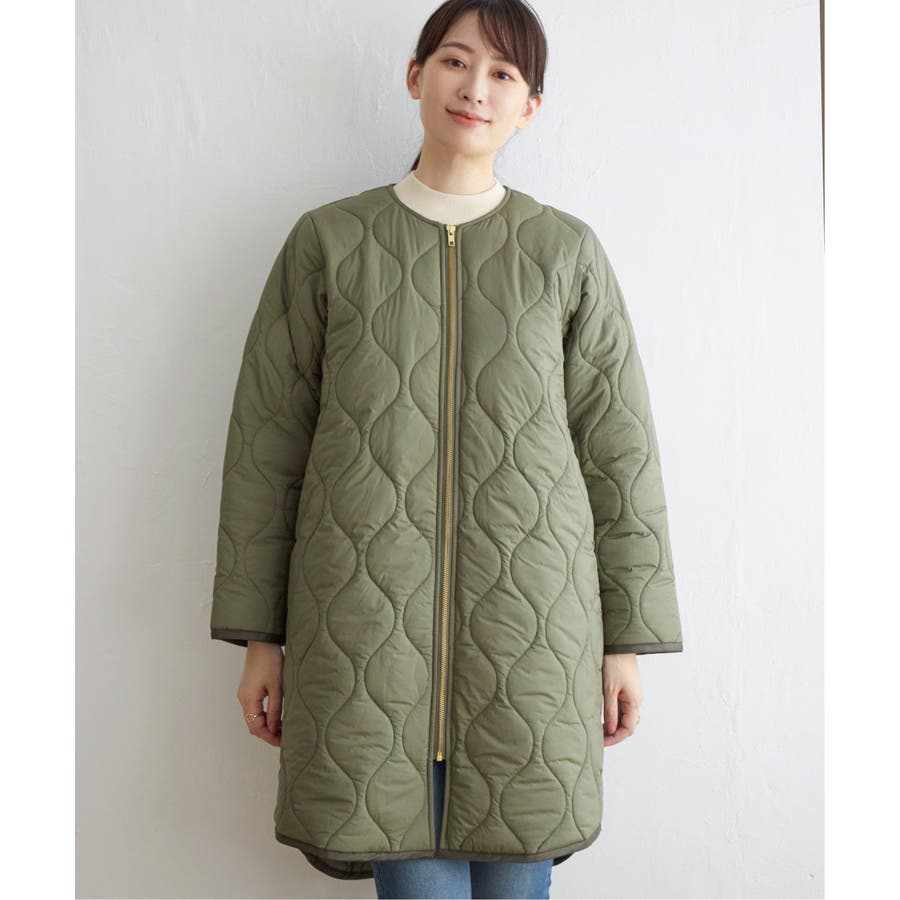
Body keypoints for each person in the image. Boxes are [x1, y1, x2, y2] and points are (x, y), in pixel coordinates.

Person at [209, 1, 684, 898]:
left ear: (530, 107)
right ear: (415, 75)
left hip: (535, 641)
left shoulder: (565, 255)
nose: (476, 88)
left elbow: (618, 455)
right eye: (456, 61)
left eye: (504, 73)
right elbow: (267, 450)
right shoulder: (328, 243)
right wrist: (261, 637)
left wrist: (625, 641)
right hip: (362, 637)